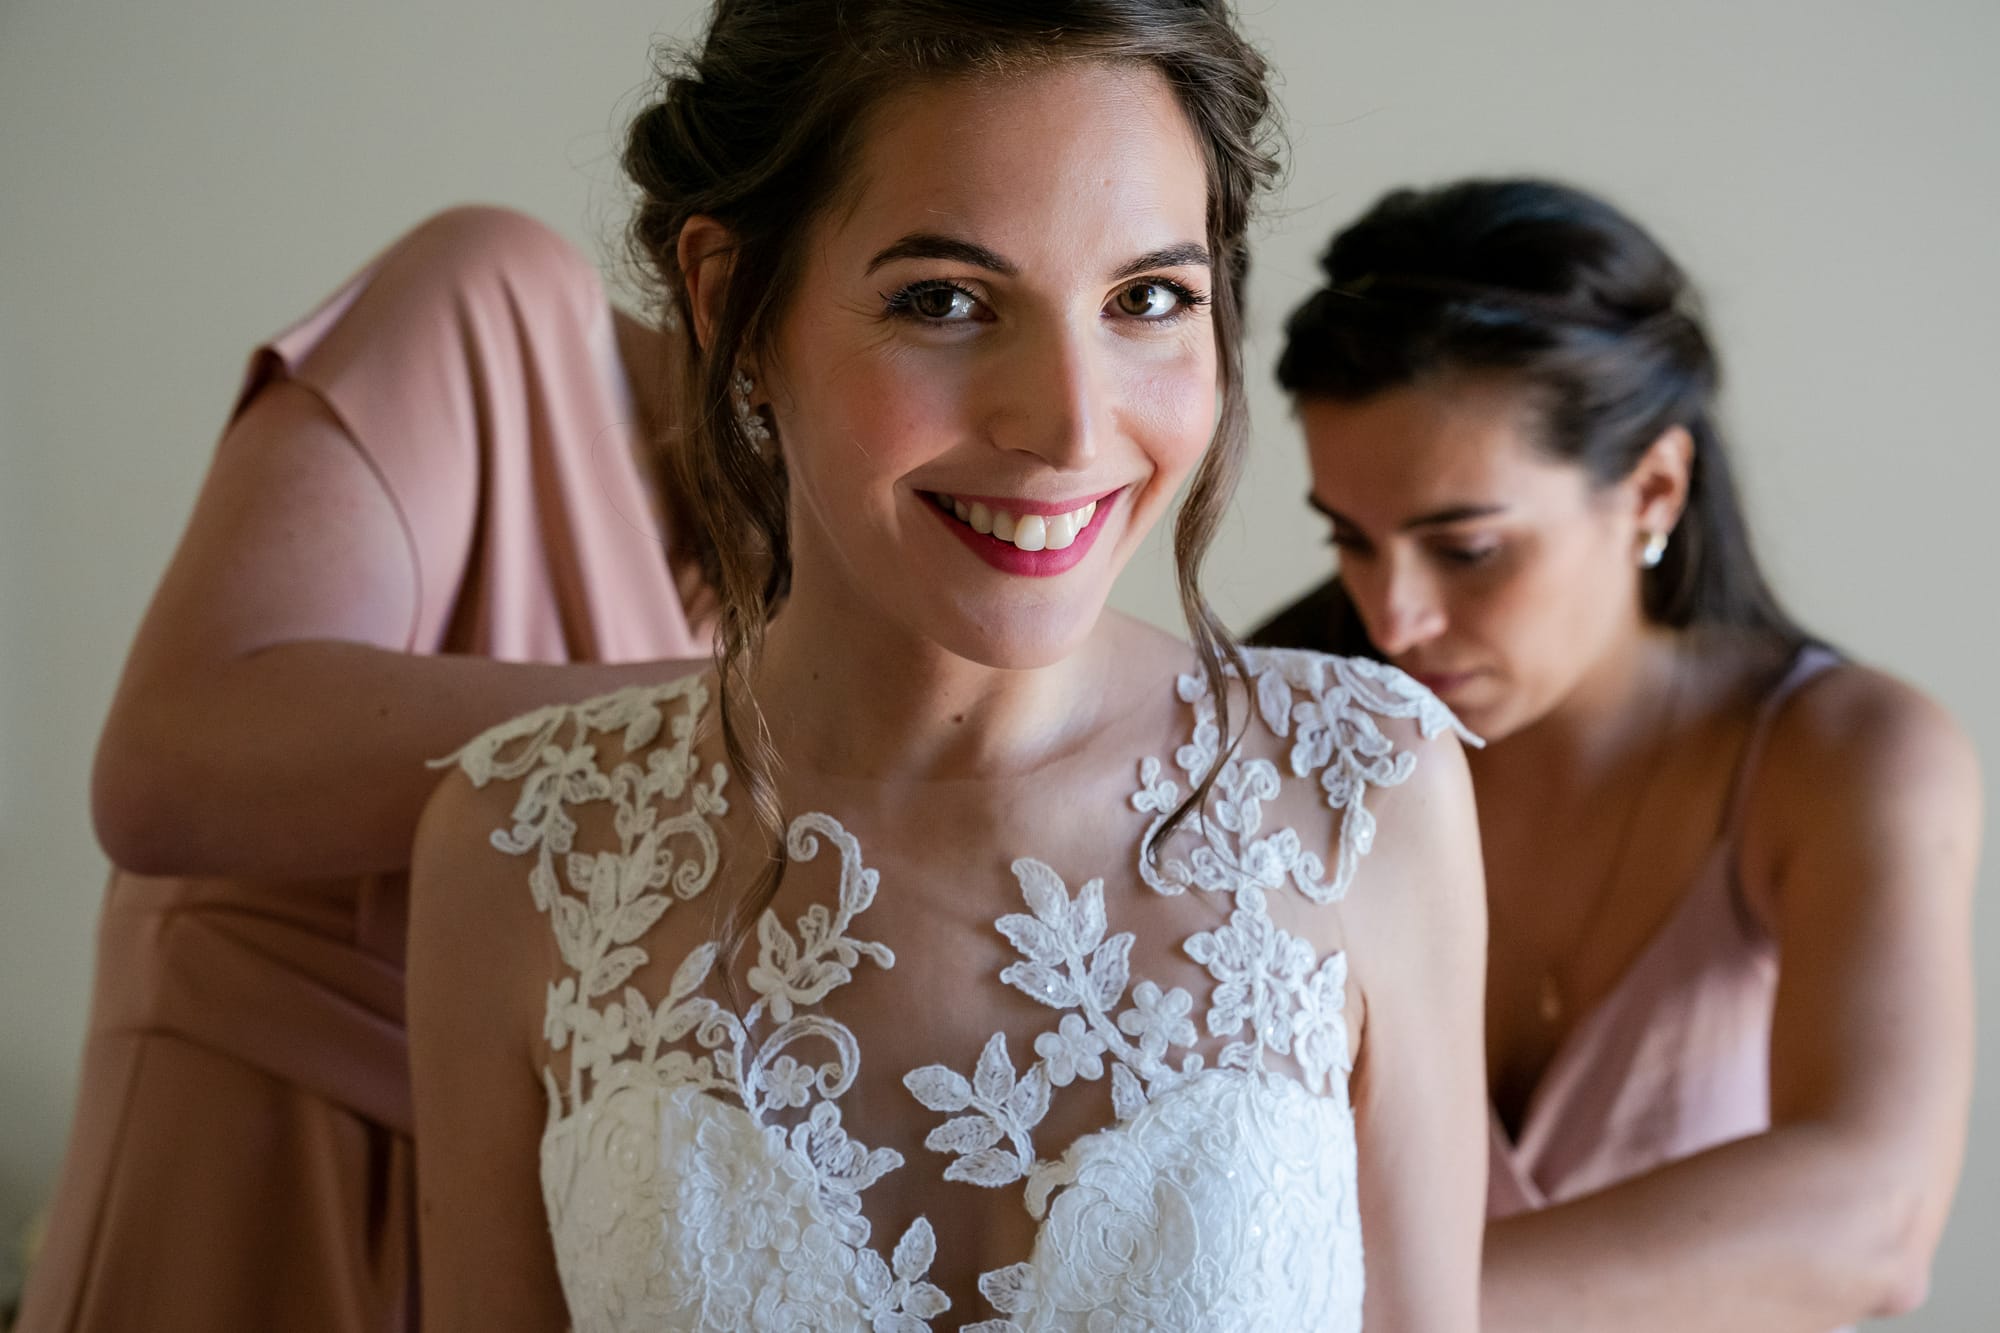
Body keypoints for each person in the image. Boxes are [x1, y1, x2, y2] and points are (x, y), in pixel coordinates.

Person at [407, 3, 1489, 1329]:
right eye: (946, 300)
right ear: (729, 304)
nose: (1070, 425)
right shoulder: (521, 844)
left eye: (1147, 298)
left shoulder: (1366, 786)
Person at [1254, 177, 1981, 1332]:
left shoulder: (1843, 756)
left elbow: (1873, 1222)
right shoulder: (1283, 733)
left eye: (1469, 549)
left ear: (1651, 488)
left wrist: (1338, 1312)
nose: (1392, 620)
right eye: (1350, 538)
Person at [20, 204, 715, 1332]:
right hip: (244, 1224)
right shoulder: (496, 310)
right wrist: (732, 721)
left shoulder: (810, 602)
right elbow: (170, 762)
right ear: (730, 276)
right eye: (930, 303)